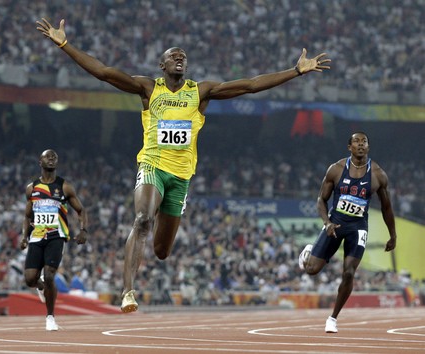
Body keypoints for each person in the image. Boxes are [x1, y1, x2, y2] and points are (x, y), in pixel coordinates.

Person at [36, 18, 331, 313]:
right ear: (161, 65)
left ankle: (140, 268)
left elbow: (250, 85)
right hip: (152, 165)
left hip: (181, 176)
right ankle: (128, 291)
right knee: (142, 220)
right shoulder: (148, 88)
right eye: (173, 56)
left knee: (162, 251)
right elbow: (103, 72)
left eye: (183, 57)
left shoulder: (200, 92)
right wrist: (64, 44)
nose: (180, 58)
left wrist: (295, 71)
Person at [298, 132, 397, 333]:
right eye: (356, 142)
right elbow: (321, 200)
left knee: (349, 272)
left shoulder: (378, 174)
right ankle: (309, 251)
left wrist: (393, 235)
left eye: (364, 142)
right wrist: (326, 223)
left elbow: (387, 208)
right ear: (349, 147)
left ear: (368, 147)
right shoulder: (336, 169)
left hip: (358, 227)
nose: (360, 145)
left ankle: (332, 318)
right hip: (335, 223)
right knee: (311, 270)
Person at [20, 149, 88, 331]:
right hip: (36, 237)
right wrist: (24, 237)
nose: (51, 158)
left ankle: (50, 317)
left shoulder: (64, 186)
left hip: (56, 236)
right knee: (29, 279)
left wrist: (83, 230)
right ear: (39, 162)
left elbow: (81, 210)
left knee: (50, 274)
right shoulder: (32, 188)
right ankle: (41, 287)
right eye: (47, 156)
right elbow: (27, 216)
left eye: (54, 157)